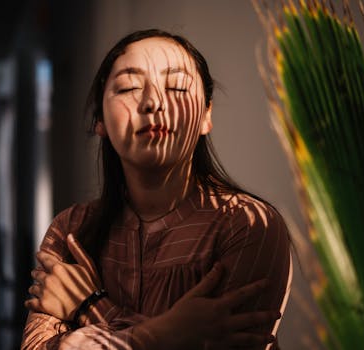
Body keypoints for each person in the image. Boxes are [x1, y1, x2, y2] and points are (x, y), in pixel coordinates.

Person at [20, 28, 292, 350]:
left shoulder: (247, 224)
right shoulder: (72, 231)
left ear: (206, 115)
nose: (153, 102)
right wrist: (168, 336)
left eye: (176, 86)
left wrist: (89, 305)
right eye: (129, 87)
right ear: (100, 121)